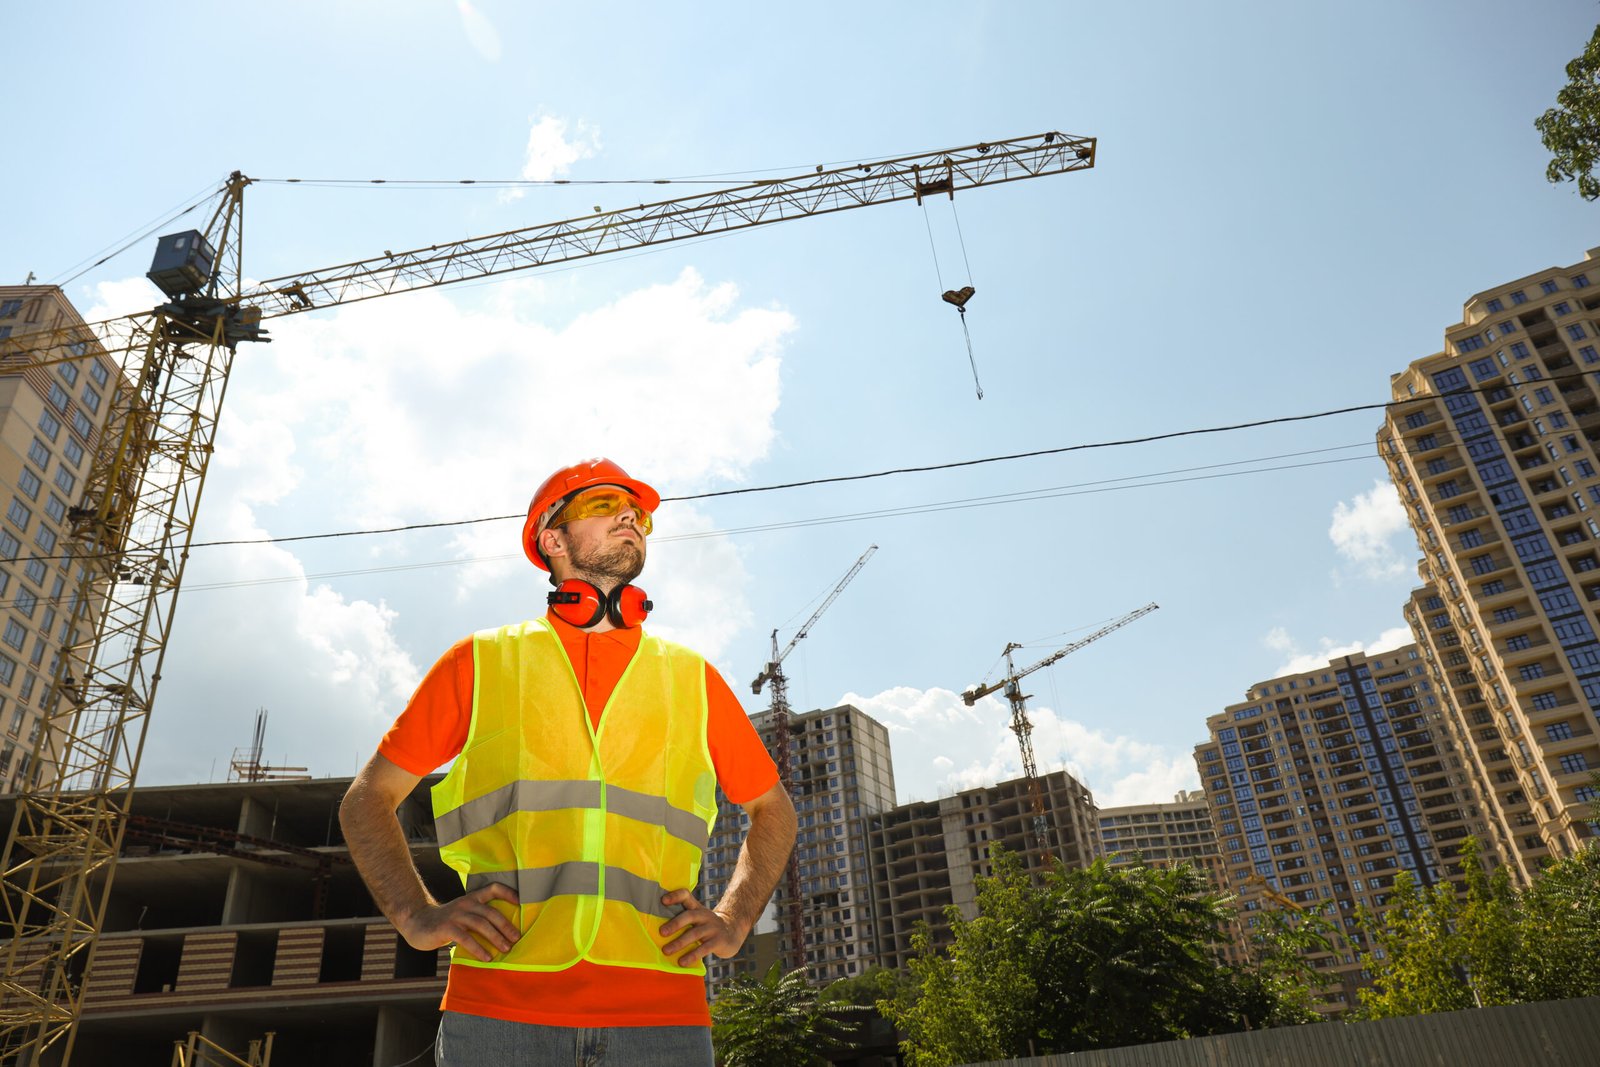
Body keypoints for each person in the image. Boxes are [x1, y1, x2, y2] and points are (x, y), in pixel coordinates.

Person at [340, 458, 797, 1066]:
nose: (630, 515)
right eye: (604, 505)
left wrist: (734, 918)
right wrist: (416, 915)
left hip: (661, 1011)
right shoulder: (479, 662)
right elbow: (366, 800)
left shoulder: (692, 678)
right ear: (551, 539)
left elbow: (773, 809)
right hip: (499, 1010)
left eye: (637, 512)